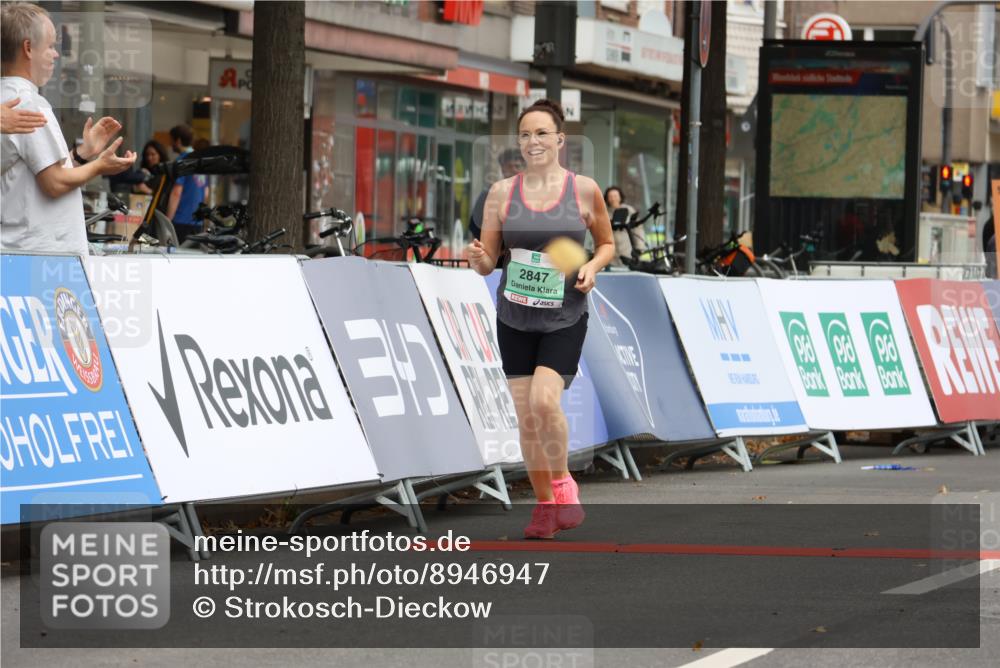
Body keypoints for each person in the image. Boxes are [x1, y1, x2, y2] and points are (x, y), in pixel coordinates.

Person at [467, 99, 615, 540]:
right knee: (526, 418)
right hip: (514, 316)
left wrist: (591, 267)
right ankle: (545, 510)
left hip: (564, 316)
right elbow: (489, 261)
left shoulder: (583, 190)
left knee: (544, 402)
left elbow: (606, 243)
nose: (533, 142)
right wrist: (479, 258)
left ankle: (564, 483)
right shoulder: (501, 193)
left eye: (541, 134)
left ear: (559, 140)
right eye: (526, 135)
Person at [1, 2, 135, 256]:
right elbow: (53, 183)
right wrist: (99, 166)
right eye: (51, 46)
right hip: (41, 257)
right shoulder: (29, 103)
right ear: (28, 48)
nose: (56, 54)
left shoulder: (6, 100)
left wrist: (82, 155)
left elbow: (31, 175)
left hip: (19, 251)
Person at [469, 148, 526, 241]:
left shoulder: (531, 195)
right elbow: (475, 228)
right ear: (502, 168)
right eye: (509, 166)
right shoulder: (489, 194)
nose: (513, 170)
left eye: (517, 166)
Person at [166, 123, 208, 241]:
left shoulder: (182, 161)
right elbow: (206, 193)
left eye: (171, 140)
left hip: (180, 220)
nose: (170, 144)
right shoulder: (200, 160)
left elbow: (176, 193)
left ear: (178, 141)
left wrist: (167, 221)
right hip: (197, 223)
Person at [605, 185, 647, 267]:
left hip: (627, 247)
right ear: (607, 198)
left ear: (620, 197)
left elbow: (638, 229)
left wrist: (640, 246)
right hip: (611, 250)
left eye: (615, 196)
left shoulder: (629, 210)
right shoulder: (604, 212)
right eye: (610, 196)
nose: (613, 199)